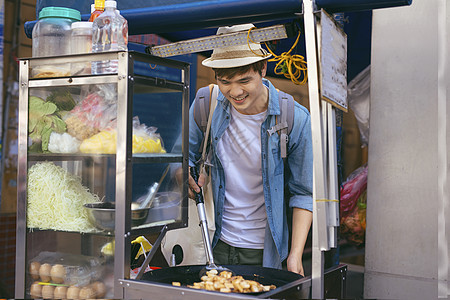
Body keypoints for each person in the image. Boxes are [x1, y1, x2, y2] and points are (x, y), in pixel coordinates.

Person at [188, 23, 313, 276]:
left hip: (263, 251)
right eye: (225, 82)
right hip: (212, 241)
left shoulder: (295, 118)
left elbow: (303, 193)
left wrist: (295, 255)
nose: (235, 92)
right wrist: (186, 178)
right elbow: (182, 160)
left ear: (263, 68)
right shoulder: (205, 104)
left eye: (245, 80)